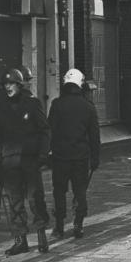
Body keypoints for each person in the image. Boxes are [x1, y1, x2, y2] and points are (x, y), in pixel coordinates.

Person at [0, 68, 51, 255]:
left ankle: (41, 236)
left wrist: (43, 155)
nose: (8, 87)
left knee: (35, 199)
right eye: (5, 84)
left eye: (11, 84)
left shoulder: (32, 104)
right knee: (14, 202)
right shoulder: (1, 107)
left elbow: (44, 130)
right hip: (9, 161)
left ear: (19, 85)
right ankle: (20, 240)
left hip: (29, 160)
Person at [48, 68, 101, 239]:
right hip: (80, 156)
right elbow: (94, 136)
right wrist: (95, 158)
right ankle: (78, 223)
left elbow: (50, 130)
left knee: (59, 191)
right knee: (80, 191)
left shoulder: (56, 105)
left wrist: (48, 152)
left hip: (60, 156)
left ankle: (59, 226)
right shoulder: (89, 107)